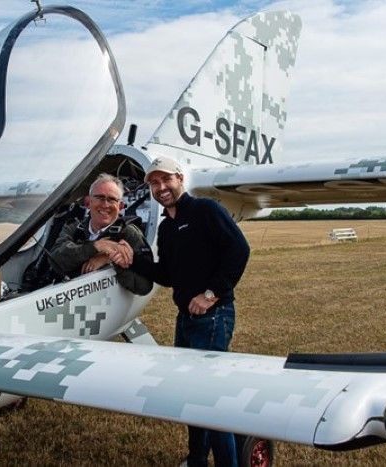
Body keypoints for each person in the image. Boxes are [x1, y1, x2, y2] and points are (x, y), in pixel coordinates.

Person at [128, 157, 250, 467]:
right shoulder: (168, 228)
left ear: (180, 178)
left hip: (212, 317)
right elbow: (168, 275)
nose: (160, 187)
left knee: (210, 399)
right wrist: (130, 260)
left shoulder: (206, 211)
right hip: (185, 319)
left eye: (165, 179)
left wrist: (210, 294)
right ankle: (197, 459)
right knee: (191, 395)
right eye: (154, 183)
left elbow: (239, 250)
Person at [50, 173, 152, 295]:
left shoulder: (129, 234)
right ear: (89, 202)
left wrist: (114, 260)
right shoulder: (73, 228)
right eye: (100, 197)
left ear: (120, 206)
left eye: (112, 199)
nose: (105, 205)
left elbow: (144, 287)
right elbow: (55, 260)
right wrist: (97, 247)